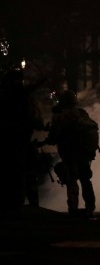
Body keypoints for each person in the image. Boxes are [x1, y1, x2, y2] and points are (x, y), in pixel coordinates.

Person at [44, 89, 99, 218]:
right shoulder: (82, 113)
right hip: (84, 153)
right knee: (86, 180)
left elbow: (53, 138)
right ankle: (90, 207)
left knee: (71, 180)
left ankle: (73, 208)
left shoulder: (60, 117)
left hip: (69, 152)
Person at [0, 68, 44, 216]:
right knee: (23, 175)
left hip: (10, 142)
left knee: (15, 175)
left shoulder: (8, 95)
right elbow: (36, 121)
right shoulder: (22, 97)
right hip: (18, 142)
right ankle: (25, 205)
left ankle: (13, 204)